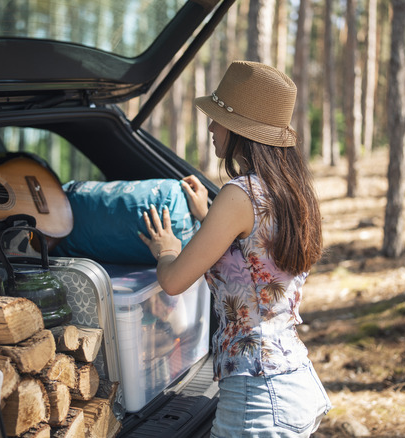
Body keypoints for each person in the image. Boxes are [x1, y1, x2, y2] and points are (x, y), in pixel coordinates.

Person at [138, 60, 331, 437]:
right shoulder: (292, 191)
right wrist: (208, 215)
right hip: (293, 380)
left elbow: (175, 281)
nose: (211, 127)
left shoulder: (238, 194)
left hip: (257, 398)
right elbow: (257, 252)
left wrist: (166, 249)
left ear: (242, 129)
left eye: (217, 118)